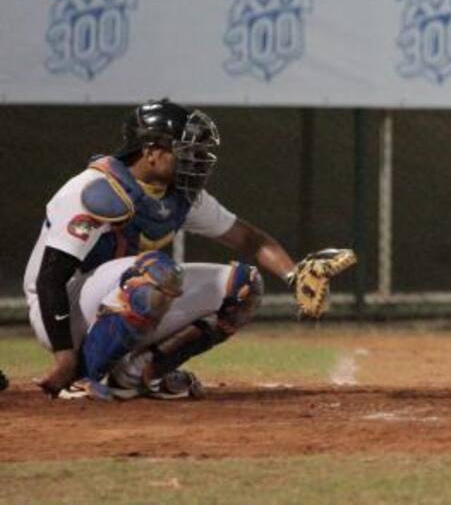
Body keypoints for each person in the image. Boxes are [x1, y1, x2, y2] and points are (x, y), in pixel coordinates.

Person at [24, 99, 353, 401]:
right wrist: (64, 357)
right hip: (59, 309)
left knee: (243, 287)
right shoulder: (94, 190)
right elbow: (50, 279)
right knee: (157, 272)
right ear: (151, 152)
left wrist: (294, 275)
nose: (194, 159)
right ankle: (81, 377)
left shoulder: (178, 195)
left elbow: (250, 240)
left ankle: (134, 375)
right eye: (183, 150)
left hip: (117, 294)